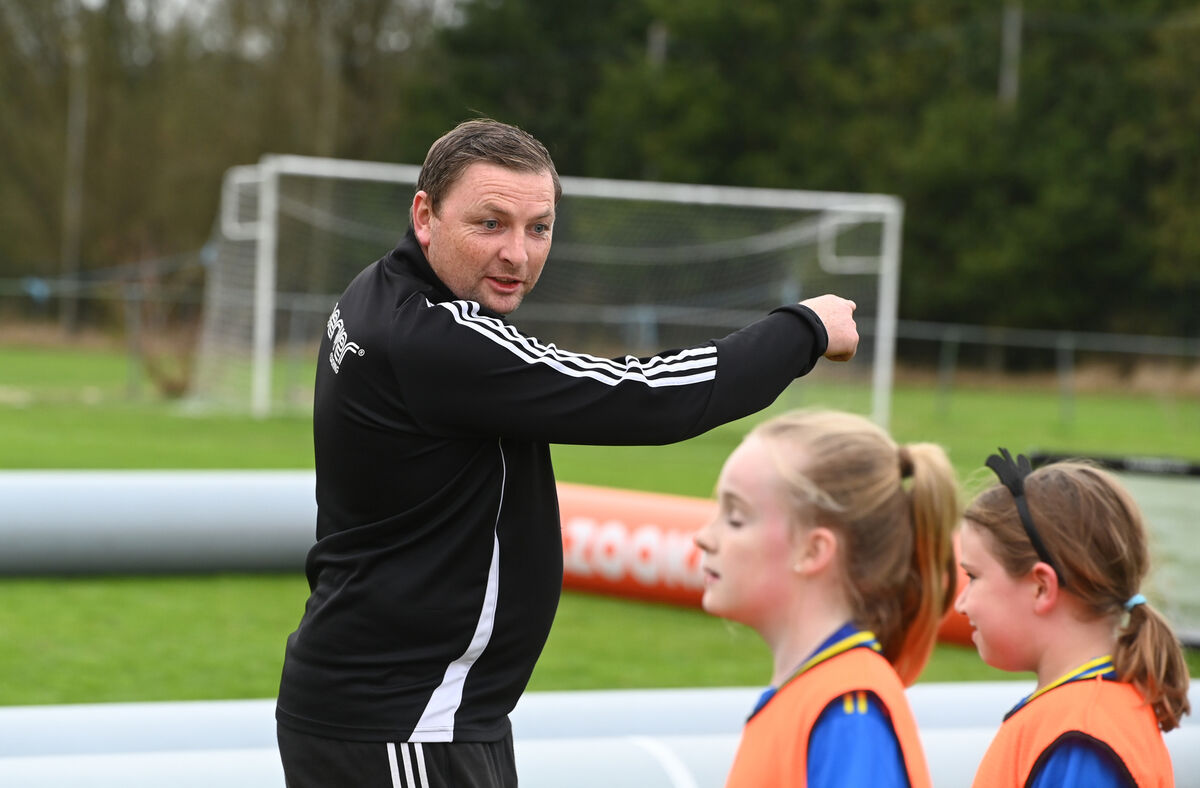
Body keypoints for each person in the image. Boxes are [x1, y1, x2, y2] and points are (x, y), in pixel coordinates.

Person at [274, 117, 861, 787]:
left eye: (538, 228)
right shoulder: (435, 336)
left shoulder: (381, 292)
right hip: (404, 721)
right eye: (490, 224)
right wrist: (804, 329)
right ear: (424, 215)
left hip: (432, 713)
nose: (517, 256)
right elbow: (645, 396)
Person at [693, 408, 960, 788]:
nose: (704, 536)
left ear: (814, 551)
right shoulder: (817, 697)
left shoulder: (848, 715)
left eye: (735, 517)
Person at [956, 450, 1190, 787]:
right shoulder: (1078, 718)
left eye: (974, 577)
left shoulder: (1081, 739)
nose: (961, 603)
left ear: (1041, 587)